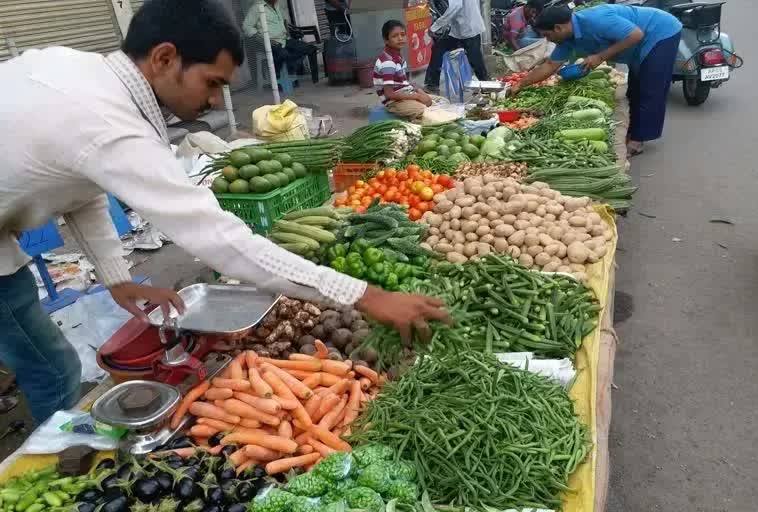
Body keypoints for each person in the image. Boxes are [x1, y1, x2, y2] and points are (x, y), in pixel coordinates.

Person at [0, 0, 449, 423]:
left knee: (37, 355)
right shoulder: (109, 122)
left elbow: (84, 185)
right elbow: (222, 241)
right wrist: (364, 295)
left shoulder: (80, 73)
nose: (216, 101)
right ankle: (56, 456)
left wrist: (117, 277)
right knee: (55, 371)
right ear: (163, 58)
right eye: (212, 82)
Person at [507, 4, 682, 155]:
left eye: (547, 35)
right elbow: (551, 65)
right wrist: (520, 84)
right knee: (635, 88)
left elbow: (636, 35)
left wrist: (600, 56)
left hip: (660, 31)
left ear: (558, 28)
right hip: (640, 44)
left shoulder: (596, 19)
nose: (547, 39)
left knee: (650, 88)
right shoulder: (566, 39)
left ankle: (637, 141)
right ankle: (634, 131)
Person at [242, 0, 319, 83]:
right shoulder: (257, 7)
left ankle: (315, 81)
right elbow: (246, 27)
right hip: (270, 43)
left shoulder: (276, 5)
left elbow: (284, 20)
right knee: (285, 55)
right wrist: (265, 40)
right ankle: (283, 79)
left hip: (284, 39)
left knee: (311, 49)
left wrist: (287, 31)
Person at [374, 20, 435, 121]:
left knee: (440, 101)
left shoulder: (398, 56)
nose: (400, 38)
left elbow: (404, 83)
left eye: (402, 35)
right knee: (423, 110)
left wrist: (419, 91)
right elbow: (389, 94)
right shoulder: (388, 63)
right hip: (393, 102)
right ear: (386, 40)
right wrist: (417, 97)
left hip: (405, 93)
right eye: (395, 36)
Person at [424, 0, 488, 93]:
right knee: (438, 48)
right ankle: (432, 84)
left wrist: (435, 26)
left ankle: (486, 84)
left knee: (476, 61)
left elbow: (455, 7)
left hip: (469, 29)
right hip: (461, 30)